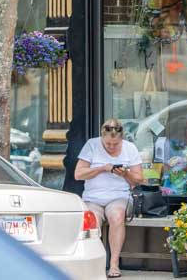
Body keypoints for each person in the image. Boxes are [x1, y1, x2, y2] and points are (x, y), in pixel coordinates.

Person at [74, 119, 143, 278]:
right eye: (107, 144)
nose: (111, 147)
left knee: (117, 216)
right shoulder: (92, 145)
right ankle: (93, 265)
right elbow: (78, 174)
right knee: (92, 220)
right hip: (93, 197)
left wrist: (125, 173)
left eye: (115, 144)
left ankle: (114, 264)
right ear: (101, 137)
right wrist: (103, 168)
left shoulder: (130, 148)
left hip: (119, 196)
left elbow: (139, 179)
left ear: (121, 138)